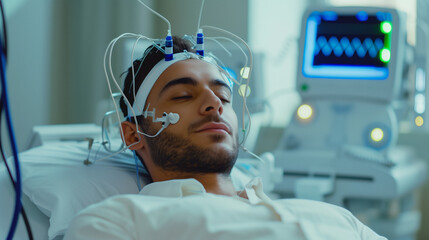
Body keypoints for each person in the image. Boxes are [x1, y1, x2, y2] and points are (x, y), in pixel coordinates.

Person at [64, 36, 387, 240]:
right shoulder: (121, 220)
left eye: (224, 96)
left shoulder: (333, 217)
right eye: (182, 96)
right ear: (134, 134)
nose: (214, 104)